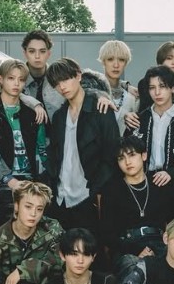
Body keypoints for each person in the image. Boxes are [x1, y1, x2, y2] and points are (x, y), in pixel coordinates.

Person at [46, 57, 120, 235]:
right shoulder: (59, 116)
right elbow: (55, 155)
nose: (62, 87)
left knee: (90, 248)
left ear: (78, 76)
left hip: (88, 196)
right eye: (56, 84)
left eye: (65, 79)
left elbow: (112, 153)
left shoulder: (101, 109)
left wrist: (95, 189)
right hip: (61, 196)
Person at [0, 59, 44, 224]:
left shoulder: (32, 114)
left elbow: (41, 151)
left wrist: (41, 182)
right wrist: (10, 181)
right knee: (12, 213)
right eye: (11, 78)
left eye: (21, 79)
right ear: (0, 79)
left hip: (31, 179)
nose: (16, 84)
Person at [127, 65, 174, 217]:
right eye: (152, 87)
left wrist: (171, 173)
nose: (157, 92)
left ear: (172, 88)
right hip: (145, 183)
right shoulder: (140, 120)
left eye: (162, 86)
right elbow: (125, 152)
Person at [100, 137, 172, 270]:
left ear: (144, 155)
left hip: (159, 244)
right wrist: (136, 250)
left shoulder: (158, 184)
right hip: (127, 248)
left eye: (132, 155)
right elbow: (107, 234)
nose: (127, 162)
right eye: (121, 158)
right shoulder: (112, 190)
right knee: (135, 268)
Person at [98, 40, 139, 134]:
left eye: (121, 60)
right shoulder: (94, 93)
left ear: (126, 63)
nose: (116, 65)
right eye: (110, 59)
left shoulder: (132, 98)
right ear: (103, 62)